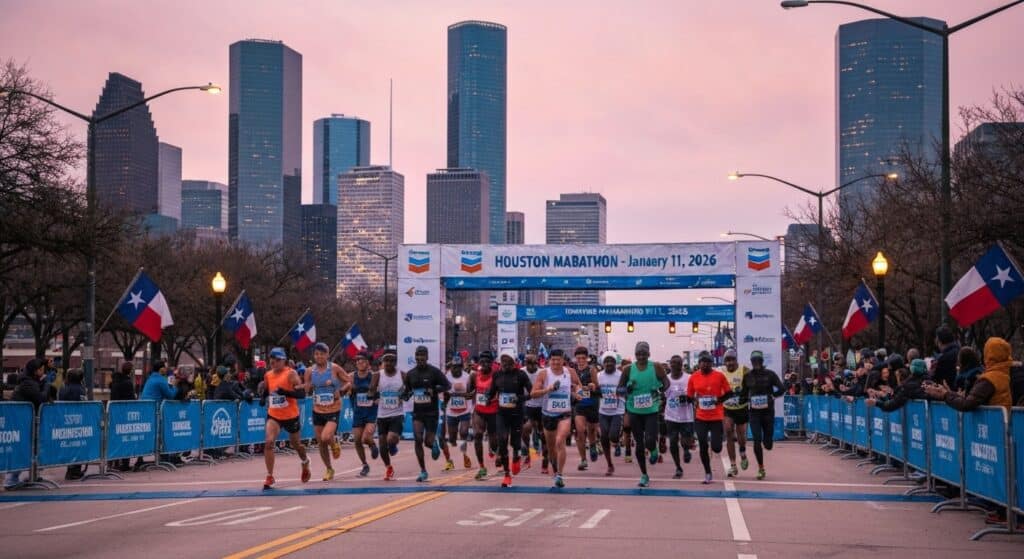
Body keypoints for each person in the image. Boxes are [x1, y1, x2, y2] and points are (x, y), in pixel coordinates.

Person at [617, 341, 669, 487]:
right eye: (638, 354)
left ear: (649, 354)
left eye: (644, 354)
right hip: (634, 411)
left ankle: (653, 449)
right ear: (635, 355)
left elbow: (667, 383)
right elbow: (619, 390)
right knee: (639, 444)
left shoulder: (656, 367)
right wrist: (628, 388)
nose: (641, 356)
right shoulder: (628, 370)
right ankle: (644, 475)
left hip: (651, 410)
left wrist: (659, 390)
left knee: (650, 440)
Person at [259, 347, 310, 490]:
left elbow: (301, 395)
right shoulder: (268, 375)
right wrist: (263, 398)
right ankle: (270, 476)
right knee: (268, 442)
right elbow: (268, 390)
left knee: (296, 445)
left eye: (277, 360)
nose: (273, 362)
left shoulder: (291, 374)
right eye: (271, 360)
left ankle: (305, 462)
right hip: (274, 415)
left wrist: (285, 392)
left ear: (283, 361)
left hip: (291, 416)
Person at [530, 349, 581, 488]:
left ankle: (560, 474)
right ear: (549, 360)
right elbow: (533, 393)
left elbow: (578, 386)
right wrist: (548, 389)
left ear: (563, 360)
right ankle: (555, 468)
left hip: (564, 413)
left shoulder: (570, 372)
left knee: (560, 441)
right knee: (551, 448)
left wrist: (578, 393)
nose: (556, 362)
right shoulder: (544, 374)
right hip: (548, 414)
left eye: (558, 360)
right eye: (553, 360)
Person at [924, 337, 1013, 411]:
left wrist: (945, 395)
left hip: (992, 427)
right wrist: (950, 393)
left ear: (989, 355)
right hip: (1002, 425)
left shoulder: (988, 379)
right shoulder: (1005, 374)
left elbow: (966, 404)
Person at [403, 345, 450, 482]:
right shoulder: (410, 374)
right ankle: (423, 471)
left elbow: (447, 386)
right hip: (418, 412)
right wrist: (404, 395)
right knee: (417, 439)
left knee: (427, 442)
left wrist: (434, 390)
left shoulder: (434, 372)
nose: (420, 358)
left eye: (423, 355)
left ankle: (433, 443)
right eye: (418, 355)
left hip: (432, 412)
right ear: (415, 357)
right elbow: (407, 391)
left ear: (427, 357)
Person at [305, 342, 351, 482]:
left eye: (322, 354)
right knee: (321, 442)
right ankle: (329, 468)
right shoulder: (309, 371)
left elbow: (349, 381)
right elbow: (307, 390)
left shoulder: (334, 368)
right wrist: (310, 388)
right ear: (314, 355)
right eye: (316, 354)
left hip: (333, 408)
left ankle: (334, 443)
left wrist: (342, 390)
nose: (319, 357)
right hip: (317, 408)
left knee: (326, 437)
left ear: (327, 354)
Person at [487, 349, 533, 487]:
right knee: (502, 440)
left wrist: (519, 398)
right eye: (503, 361)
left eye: (507, 361)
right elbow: (492, 391)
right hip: (502, 413)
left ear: (513, 362)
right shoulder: (497, 375)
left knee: (515, 442)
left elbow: (531, 393)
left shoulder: (521, 375)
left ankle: (517, 457)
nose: (505, 364)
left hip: (517, 413)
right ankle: (507, 474)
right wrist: (488, 399)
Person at [4, 359, 49, 489]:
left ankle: (33, 474)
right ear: (35, 371)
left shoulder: (31, 382)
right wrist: (45, 384)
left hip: (25, 420)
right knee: (21, 447)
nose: (43, 371)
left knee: (30, 446)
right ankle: (11, 479)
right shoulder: (27, 383)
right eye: (41, 369)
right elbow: (41, 399)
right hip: (21, 421)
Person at [740, 351, 786, 480]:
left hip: (768, 412)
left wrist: (773, 396)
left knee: (768, 445)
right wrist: (741, 400)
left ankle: (768, 441)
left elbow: (782, 388)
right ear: (751, 362)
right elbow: (743, 394)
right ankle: (761, 468)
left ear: (762, 361)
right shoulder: (747, 376)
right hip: (754, 413)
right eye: (754, 361)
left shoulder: (770, 374)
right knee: (756, 440)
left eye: (758, 360)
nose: (756, 363)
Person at [687, 351, 731, 484]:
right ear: (699, 363)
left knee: (717, 447)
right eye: (702, 362)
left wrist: (719, 400)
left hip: (716, 417)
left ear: (711, 363)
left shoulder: (719, 376)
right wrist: (691, 400)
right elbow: (690, 396)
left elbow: (729, 393)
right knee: (703, 444)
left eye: (708, 362)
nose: (705, 364)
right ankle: (707, 472)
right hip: (701, 417)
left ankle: (716, 443)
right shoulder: (693, 377)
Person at [369, 346, 404, 481]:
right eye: (386, 360)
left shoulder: (402, 374)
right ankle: (388, 467)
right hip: (382, 414)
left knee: (390, 439)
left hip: (397, 413)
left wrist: (405, 395)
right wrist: (372, 394)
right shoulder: (378, 375)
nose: (388, 363)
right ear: (383, 362)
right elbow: (371, 391)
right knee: (382, 445)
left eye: (391, 360)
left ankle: (393, 444)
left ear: (395, 362)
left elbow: (409, 389)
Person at [468, 351, 500, 480]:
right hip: (479, 411)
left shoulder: (496, 376)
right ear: (479, 363)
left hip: (494, 412)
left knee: (493, 442)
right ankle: (481, 467)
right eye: (482, 362)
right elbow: (470, 391)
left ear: (492, 364)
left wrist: (493, 397)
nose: (485, 364)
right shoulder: (474, 375)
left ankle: (498, 453)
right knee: (477, 435)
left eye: (488, 362)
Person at [349, 351, 380, 477]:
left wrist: (377, 397)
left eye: (362, 360)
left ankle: (372, 444)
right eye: (357, 360)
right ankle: (365, 465)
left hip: (371, 412)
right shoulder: (351, 376)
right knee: (357, 440)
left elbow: (380, 391)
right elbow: (345, 387)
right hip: (358, 412)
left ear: (368, 362)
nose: (359, 362)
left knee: (365, 438)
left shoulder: (374, 376)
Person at [719, 349, 749, 478]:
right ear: (724, 362)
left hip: (741, 408)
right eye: (727, 360)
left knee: (741, 437)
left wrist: (746, 395)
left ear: (736, 360)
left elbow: (751, 385)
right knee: (729, 432)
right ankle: (733, 465)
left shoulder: (744, 370)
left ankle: (742, 452)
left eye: (732, 360)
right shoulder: (721, 371)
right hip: (727, 408)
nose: (730, 363)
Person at [663, 354, 694, 479]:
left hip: (686, 416)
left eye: (678, 363)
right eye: (673, 363)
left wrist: (688, 398)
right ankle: (678, 467)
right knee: (673, 442)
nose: (676, 365)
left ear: (682, 365)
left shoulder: (689, 378)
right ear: (670, 365)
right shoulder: (666, 379)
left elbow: (694, 395)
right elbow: (663, 395)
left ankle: (686, 450)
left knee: (686, 440)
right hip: (671, 416)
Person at [571, 346, 600, 471]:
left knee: (592, 430)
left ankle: (593, 445)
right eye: (578, 358)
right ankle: (583, 459)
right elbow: (569, 388)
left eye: (583, 358)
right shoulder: (572, 371)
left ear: (587, 358)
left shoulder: (592, 370)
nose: (581, 360)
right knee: (580, 430)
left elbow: (597, 387)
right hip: (579, 405)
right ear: (575, 358)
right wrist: (574, 393)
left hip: (592, 403)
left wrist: (593, 386)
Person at [596, 351, 624, 476]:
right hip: (603, 410)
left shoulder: (621, 375)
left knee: (613, 436)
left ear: (615, 363)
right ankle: (609, 464)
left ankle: (617, 442)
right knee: (604, 437)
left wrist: (620, 392)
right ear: (603, 363)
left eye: (611, 361)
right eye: (606, 361)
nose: (608, 363)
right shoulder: (598, 376)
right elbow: (594, 391)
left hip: (617, 410)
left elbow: (626, 390)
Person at [444, 356, 474, 470]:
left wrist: (468, 395)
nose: (455, 369)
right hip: (451, 411)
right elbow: (444, 392)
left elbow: (471, 392)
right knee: (452, 438)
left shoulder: (467, 377)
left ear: (461, 367)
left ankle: (464, 455)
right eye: (453, 367)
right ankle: (455, 445)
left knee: (463, 433)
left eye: (458, 367)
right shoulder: (447, 376)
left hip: (465, 410)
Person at [58, 368, 88, 480]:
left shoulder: (63, 388)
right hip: (77, 421)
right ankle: (74, 471)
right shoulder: (79, 389)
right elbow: (83, 405)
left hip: (65, 421)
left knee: (69, 446)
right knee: (77, 446)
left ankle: (70, 470)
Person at [520, 353, 547, 472]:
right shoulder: (521, 372)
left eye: (532, 363)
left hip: (542, 406)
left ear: (537, 363)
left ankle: (545, 460)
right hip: (528, 405)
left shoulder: (543, 373)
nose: (530, 366)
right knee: (525, 429)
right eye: (528, 363)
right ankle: (527, 452)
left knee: (544, 434)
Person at [108, 362, 137, 472]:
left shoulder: (115, 381)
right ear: (130, 371)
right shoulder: (127, 383)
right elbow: (131, 398)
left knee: (115, 437)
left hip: (114, 412)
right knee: (126, 437)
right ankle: (124, 463)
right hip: (125, 413)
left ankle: (113, 462)